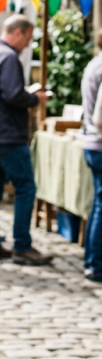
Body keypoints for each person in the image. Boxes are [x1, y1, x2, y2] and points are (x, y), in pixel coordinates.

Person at [0, 14, 52, 265]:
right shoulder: (8, 57)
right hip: (7, 134)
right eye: (28, 37)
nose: (29, 43)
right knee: (25, 187)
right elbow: (11, 94)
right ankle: (22, 245)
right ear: (18, 32)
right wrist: (35, 98)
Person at [81, 30, 102, 282]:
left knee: (98, 204)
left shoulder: (94, 63)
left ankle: (92, 261)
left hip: (92, 142)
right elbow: (100, 118)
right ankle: (96, 263)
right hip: (99, 142)